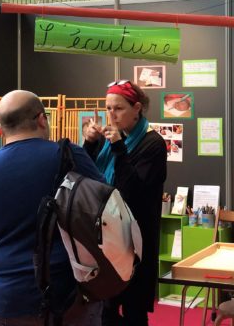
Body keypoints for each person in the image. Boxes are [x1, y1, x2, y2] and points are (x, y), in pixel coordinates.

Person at [0, 90, 105, 325]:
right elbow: (105, 208)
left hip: (5, 299)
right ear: (41, 118)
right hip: (67, 294)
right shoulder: (68, 156)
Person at [83, 80, 167, 326]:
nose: (112, 114)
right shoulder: (105, 140)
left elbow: (131, 191)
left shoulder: (153, 144)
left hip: (136, 239)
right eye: (108, 108)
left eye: (118, 108)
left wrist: (119, 147)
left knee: (134, 310)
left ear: (137, 108)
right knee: (105, 309)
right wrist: (88, 144)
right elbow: (82, 175)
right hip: (105, 237)